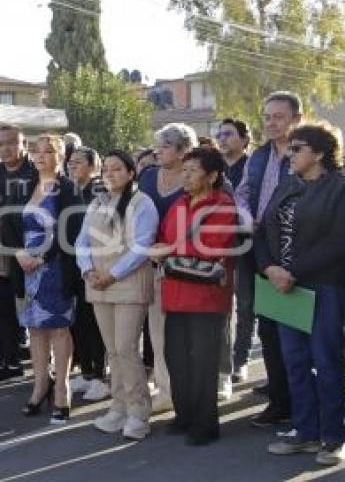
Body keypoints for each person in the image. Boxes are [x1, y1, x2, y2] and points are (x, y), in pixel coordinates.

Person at [256, 123, 345, 466]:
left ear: (320, 153)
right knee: (295, 362)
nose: (289, 154)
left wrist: (291, 271)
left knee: (326, 362)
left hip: (324, 286)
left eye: (296, 148)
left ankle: (334, 438)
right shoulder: (287, 185)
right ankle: (305, 431)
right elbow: (263, 230)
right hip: (282, 286)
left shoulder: (343, 189)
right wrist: (270, 268)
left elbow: (342, 242)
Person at [152, 147, 237, 446]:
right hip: (175, 293)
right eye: (183, 170)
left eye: (192, 171)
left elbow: (213, 247)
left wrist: (167, 250)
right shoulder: (178, 204)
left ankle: (205, 423)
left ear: (212, 176)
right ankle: (184, 414)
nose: (184, 176)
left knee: (203, 362)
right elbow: (163, 236)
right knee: (176, 358)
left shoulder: (223, 205)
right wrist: (162, 247)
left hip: (207, 297)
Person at [76, 150, 158, 440]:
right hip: (98, 283)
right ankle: (119, 406)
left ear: (131, 173)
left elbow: (142, 246)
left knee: (126, 348)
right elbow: (81, 241)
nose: (110, 174)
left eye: (117, 169)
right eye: (106, 169)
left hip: (129, 283)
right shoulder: (97, 203)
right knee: (112, 351)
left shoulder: (142, 203)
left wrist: (112, 274)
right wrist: (88, 270)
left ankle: (139, 411)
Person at [234, 91, 302, 427]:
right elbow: (243, 192)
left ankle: (303, 403)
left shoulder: (306, 155)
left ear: (296, 119)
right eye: (267, 117)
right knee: (271, 332)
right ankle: (281, 401)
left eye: (278, 116)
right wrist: (245, 216)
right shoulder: (259, 156)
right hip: (262, 250)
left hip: (298, 252)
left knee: (298, 335)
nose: (271, 123)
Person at [16, 134, 84, 425]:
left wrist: (42, 258)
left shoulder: (67, 189)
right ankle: (39, 385)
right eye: (36, 151)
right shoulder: (24, 186)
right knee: (34, 328)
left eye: (48, 151)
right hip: (26, 268)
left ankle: (61, 390)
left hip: (56, 267)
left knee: (58, 329)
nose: (40, 156)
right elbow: (8, 224)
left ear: (61, 156)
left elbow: (72, 231)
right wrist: (19, 253)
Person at [138, 122, 198, 413]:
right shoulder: (148, 175)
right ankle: (166, 391)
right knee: (157, 332)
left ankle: (191, 390)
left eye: (165, 146)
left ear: (184, 150)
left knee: (187, 334)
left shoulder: (196, 178)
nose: (157, 151)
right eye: (158, 145)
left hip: (188, 265)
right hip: (152, 264)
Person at [0, 125, 36, 384]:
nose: (5, 148)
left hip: (31, 250)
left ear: (23, 144)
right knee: (2, 309)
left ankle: (43, 365)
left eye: (11, 143)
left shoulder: (36, 173)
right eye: (0, 144)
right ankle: (8, 362)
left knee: (34, 309)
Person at [66, 146, 109, 401]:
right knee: (79, 320)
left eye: (78, 162)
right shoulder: (69, 189)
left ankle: (101, 375)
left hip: (95, 264)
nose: (72, 166)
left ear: (93, 166)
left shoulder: (99, 190)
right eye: (70, 162)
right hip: (73, 262)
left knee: (96, 322)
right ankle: (87, 370)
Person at [216, 118, 252, 389]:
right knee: (223, 307)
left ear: (243, 138)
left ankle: (241, 360)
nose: (222, 138)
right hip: (217, 246)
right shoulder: (214, 168)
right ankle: (224, 362)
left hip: (247, 244)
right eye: (219, 134)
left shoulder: (253, 166)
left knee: (246, 306)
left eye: (228, 134)